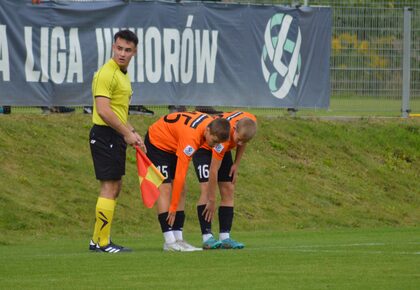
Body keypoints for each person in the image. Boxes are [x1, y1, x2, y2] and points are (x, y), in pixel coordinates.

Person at [88, 30, 145, 253]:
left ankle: (97, 239)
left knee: (116, 187)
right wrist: (126, 133)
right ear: (113, 47)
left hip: (114, 134)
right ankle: (102, 243)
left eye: (127, 50)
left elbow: (118, 111)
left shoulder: (122, 74)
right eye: (119, 48)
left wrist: (132, 131)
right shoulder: (107, 73)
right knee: (109, 187)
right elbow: (103, 111)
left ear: (135, 52)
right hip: (105, 134)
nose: (122, 53)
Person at [145, 111, 230, 251]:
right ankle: (169, 242)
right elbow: (180, 174)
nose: (214, 146)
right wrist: (172, 207)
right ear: (207, 130)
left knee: (182, 189)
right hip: (157, 144)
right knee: (165, 188)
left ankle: (179, 239)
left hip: (172, 144)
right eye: (214, 141)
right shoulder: (191, 138)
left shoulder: (211, 125)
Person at [192, 111, 257, 249]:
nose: (239, 143)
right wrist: (212, 199)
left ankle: (225, 237)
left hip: (225, 151)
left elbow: (243, 140)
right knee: (206, 189)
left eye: (243, 141)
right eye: (238, 139)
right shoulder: (224, 140)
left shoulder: (249, 122)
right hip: (205, 148)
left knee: (228, 188)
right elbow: (213, 171)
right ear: (234, 129)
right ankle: (207, 237)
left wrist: (236, 164)